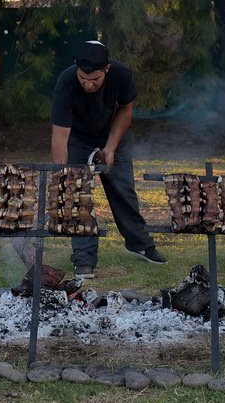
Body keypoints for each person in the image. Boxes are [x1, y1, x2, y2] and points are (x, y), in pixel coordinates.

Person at [50, 40, 166, 278]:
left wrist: (110, 147)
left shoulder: (122, 74)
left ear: (107, 70)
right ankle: (84, 258)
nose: (88, 84)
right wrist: (61, 175)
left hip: (113, 133)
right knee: (76, 193)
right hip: (78, 137)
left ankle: (138, 243)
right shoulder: (66, 81)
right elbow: (60, 135)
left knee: (123, 188)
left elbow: (126, 110)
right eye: (84, 79)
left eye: (95, 80)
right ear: (76, 69)